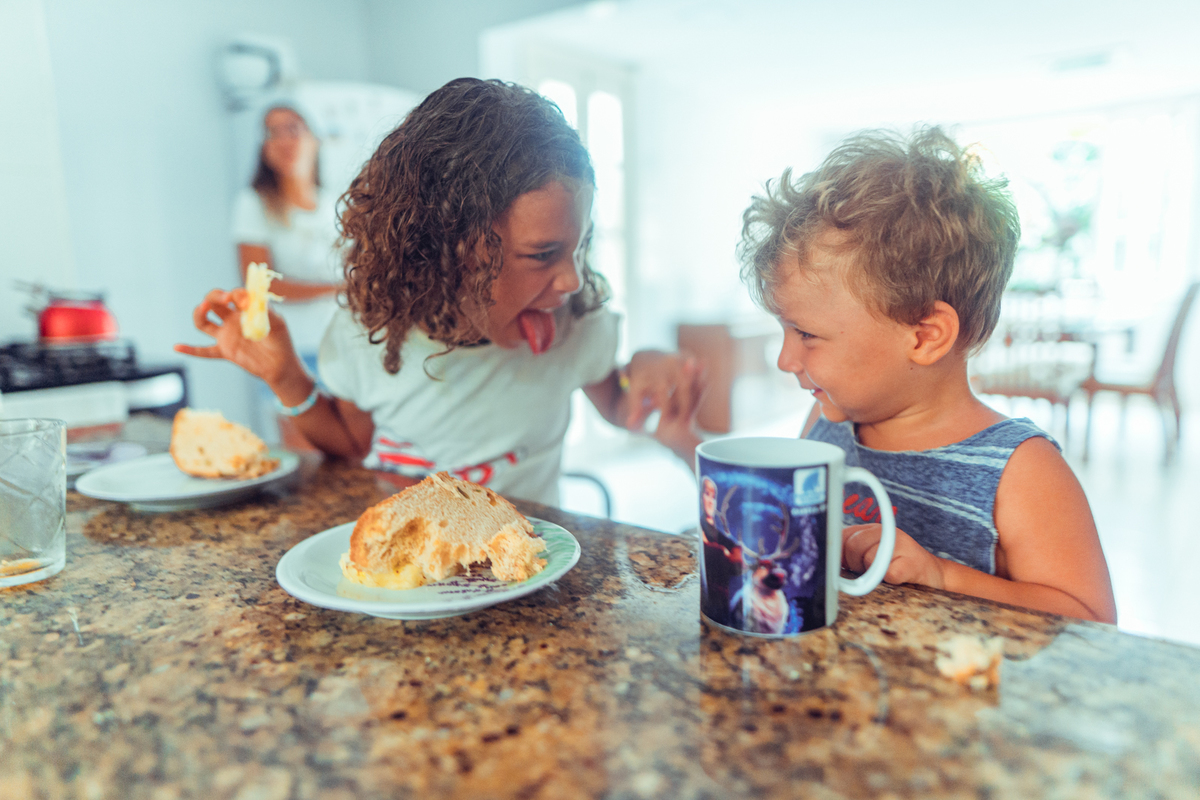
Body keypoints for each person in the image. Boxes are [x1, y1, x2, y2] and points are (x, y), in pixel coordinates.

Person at [178, 78, 702, 505]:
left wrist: (648, 370)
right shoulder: (372, 334)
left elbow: (616, 401)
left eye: (579, 248)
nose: (572, 280)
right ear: (449, 250)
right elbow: (352, 443)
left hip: (531, 571)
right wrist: (287, 376)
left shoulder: (571, 327)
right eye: (542, 254)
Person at [737, 126, 1117, 623]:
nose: (786, 360)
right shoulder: (825, 422)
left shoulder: (1021, 471)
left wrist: (942, 576)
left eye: (806, 334)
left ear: (924, 336)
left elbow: (1091, 623)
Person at [232, 104, 343, 448]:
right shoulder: (254, 205)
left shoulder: (335, 205)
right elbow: (260, 285)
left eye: (292, 129)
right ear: (263, 149)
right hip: (290, 349)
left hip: (341, 346)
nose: (282, 140)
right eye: (272, 132)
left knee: (352, 451)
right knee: (306, 452)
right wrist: (337, 287)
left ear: (316, 140)